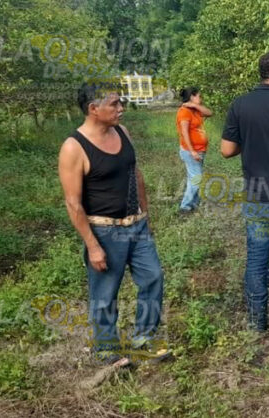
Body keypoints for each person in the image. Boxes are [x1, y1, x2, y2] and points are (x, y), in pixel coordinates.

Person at [58, 83, 168, 366]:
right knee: (105, 293)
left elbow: (136, 174)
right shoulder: (74, 147)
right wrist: (93, 246)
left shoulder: (122, 132)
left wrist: (146, 215)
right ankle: (107, 349)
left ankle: (144, 337)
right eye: (115, 104)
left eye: (122, 104)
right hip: (105, 230)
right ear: (93, 109)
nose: (121, 109)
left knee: (153, 277)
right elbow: (73, 203)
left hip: (137, 225)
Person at [221, 50, 269, 331]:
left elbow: (227, 150)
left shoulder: (241, 104)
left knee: (256, 259)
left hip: (256, 196)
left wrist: (252, 140)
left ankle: (257, 322)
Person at [176, 87, 213, 214]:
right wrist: (192, 151)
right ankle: (185, 206)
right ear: (192, 96)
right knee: (196, 178)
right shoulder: (184, 112)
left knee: (194, 178)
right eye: (199, 96)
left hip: (200, 150)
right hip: (190, 151)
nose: (200, 98)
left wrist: (195, 105)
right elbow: (184, 133)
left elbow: (209, 113)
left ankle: (194, 204)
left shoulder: (195, 110)